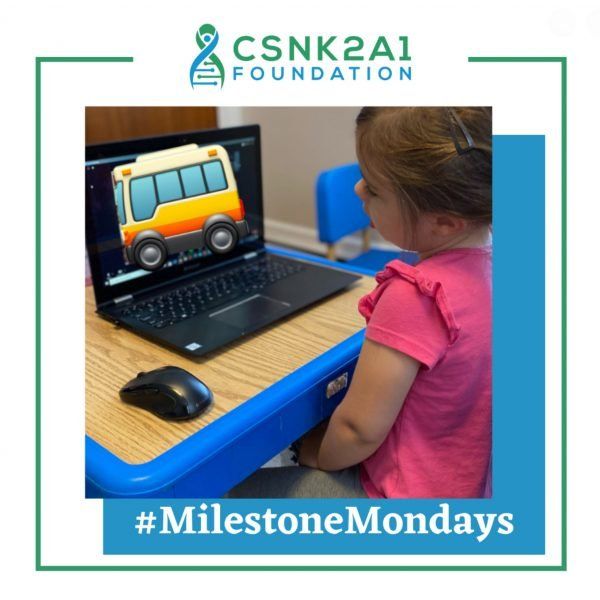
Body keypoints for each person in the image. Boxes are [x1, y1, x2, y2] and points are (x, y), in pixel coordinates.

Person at [228, 107, 492, 499]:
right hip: (464, 487)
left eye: (373, 187)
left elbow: (357, 430)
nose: (358, 190)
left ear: (445, 221)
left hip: (398, 502)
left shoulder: (416, 296)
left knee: (229, 492)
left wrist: (310, 452)